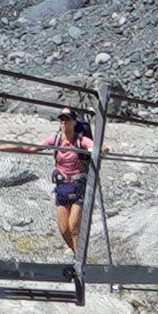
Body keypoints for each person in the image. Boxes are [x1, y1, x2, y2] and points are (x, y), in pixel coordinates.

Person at [46, 104, 98, 276]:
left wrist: (102, 149)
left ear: (74, 122)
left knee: (74, 225)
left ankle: (80, 264)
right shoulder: (55, 141)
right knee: (64, 229)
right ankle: (79, 256)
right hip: (61, 188)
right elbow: (31, 147)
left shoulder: (80, 141)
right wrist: (6, 147)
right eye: (61, 120)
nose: (64, 123)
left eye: (67, 120)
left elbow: (94, 147)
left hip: (78, 186)